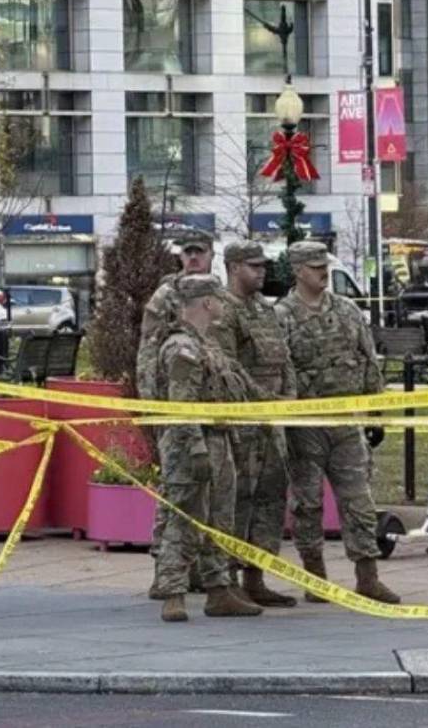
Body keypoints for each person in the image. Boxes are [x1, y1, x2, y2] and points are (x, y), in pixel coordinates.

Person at [276, 241, 401, 605]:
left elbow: (367, 360)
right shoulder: (282, 316)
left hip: (346, 426)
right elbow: (279, 372)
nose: (322, 272)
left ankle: (368, 576)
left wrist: (375, 410)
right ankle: (315, 577)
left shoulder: (347, 311)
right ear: (298, 270)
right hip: (305, 427)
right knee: (307, 505)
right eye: (314, 266)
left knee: (359, 502)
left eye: (324, 265)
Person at [154, 275, 263, 621]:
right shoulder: (181, 347)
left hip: (220, 441)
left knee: (220, 519)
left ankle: (219, 591)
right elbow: (182, 403)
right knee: (185, 517)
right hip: (190, 445)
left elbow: (239, 387)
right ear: (205, 302)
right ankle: (173, 592)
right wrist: (197, 449)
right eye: (217, 298)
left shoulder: (208, 345)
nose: (222, 303)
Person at [215, 241, 298, 608]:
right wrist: (266, 401)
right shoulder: (223, 311)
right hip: (242, 423)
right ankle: (226, 580)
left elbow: (284, 359)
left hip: (272, 423)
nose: (262, 271)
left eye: (263, 265)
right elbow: (228, 368)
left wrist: (289, 400)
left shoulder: (266, 311)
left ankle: (256, 576)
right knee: (237, 501)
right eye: (253, 266)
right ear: (233, 267)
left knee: (270, 499)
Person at [138, 228, 216, 602]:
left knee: (207, 495)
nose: (193, 258)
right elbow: (149, 351)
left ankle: (198, 569)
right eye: (188, 253)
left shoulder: (217, 294)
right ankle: (164, 570)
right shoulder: (167, 295)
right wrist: (156, 407)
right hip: (175, 404)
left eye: (199, 252)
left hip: (211, 408)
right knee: (176, 489)